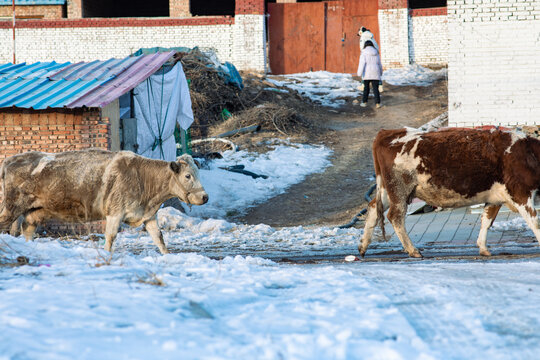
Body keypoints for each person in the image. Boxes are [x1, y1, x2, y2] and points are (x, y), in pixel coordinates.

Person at [357, 40, 383, 108]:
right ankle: (378, 103)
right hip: (375, 72)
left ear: (365, 45)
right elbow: (379, 63)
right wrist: (381, 72)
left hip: (367, 72)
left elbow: (362, 64)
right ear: (372, 45)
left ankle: (364, 102)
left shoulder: (363, 53)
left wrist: (359, 73)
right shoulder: (376, 52)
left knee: (366, 89)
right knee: (375, 89)